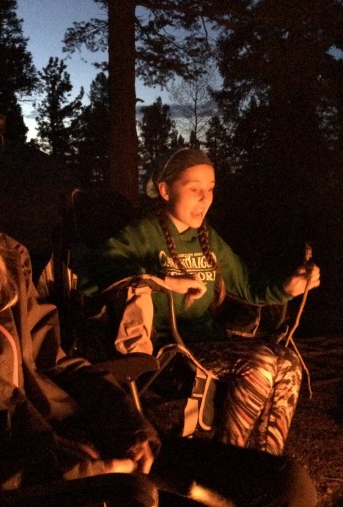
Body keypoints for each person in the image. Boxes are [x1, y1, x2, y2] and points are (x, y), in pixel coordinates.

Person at [0, 89, 317, 506]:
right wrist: (78, 473)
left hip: (82, 445)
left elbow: (58, 363)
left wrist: (128, 426)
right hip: (27, 483)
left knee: (284, 483)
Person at [76, 147, 321, 457]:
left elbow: (248, 285)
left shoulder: (207, 238)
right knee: (259, 361)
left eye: (211, 189)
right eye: (195, 189)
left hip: (207, 344)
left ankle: (264, 464)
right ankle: (225, 463)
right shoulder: (143, 233)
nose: (206, 199)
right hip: (167, 354)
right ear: (165, 191)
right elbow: (92, 272)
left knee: (288, 363)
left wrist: (286, 288)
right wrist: (164, 281)